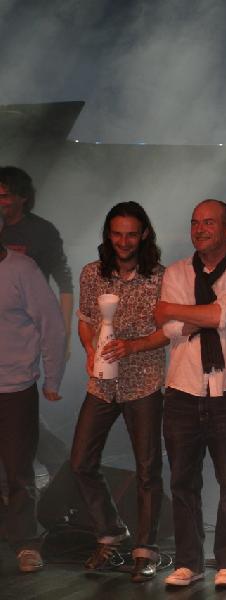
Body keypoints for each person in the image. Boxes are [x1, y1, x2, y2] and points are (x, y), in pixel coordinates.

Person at [154, 199, 226, 588]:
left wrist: (176, 309)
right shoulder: (176, 271)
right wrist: (209, 315)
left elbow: (219, 315)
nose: (200, 229)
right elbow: (169, 329)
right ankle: (189, 562)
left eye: (209, 222)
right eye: (195, 223)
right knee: (183, 482)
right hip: (182, 389)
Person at [69, 202, 168, 582]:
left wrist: (133, 346)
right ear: (108, 235)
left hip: (143, 381)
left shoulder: (160, 278)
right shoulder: (92, 273)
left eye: (131, 234)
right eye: (116, 234)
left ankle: (146, 549)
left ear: (144, 234)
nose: (123, 242)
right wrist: (90, 349)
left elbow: (169, 332)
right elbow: (85, 320)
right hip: (101, 383)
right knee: (81, 461)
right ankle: (111, 532)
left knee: (148, 470)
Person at [0, 208, 66, 573]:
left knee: (18, 472)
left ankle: (26, 543)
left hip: (14, 387)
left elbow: (51, 325)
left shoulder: (22, 270)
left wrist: (52, 379)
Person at [0, 165, 72, 477]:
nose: (0, 201)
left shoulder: (41, 232)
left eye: (5, 195)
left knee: (21, 423)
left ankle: (60, 465)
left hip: (27, 334)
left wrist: (63, 336)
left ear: (23, 198)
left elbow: (64, 284)